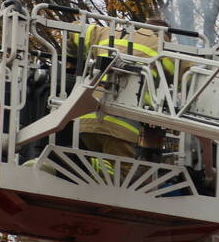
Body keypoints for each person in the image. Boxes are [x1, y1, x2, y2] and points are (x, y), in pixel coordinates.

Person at [68, 15, 175, 163]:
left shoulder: (108, 33)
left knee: (98, 172)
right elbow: (192, 80)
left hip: (87, 120)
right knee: (122, 174)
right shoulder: (166, 50)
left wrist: (71, 63)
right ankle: (84, 167)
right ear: (167, 36)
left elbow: (74, 30)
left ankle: (83, 166)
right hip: (122, 127)